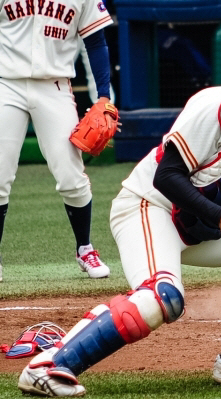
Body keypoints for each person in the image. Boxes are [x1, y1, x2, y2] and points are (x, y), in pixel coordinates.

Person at [17, 30, 221, 396]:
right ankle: (48, 366)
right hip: (148, 207)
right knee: (163, 298)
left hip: (200, 227)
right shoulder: (219, 105)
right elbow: (166, 175)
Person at [0, 0, 117, 282]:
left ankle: (85, 248)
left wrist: (104, 97)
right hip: (6, 84)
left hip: (55, 86)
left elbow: (96, 42)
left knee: (70, 174)